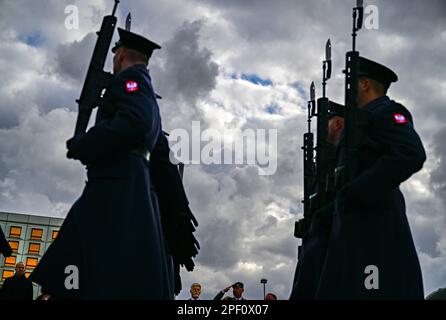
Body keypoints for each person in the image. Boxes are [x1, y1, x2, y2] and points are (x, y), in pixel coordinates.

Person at [30, 28, 178, 299]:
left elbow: (136, 122)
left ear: (119, 55)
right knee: (97, 254)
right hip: (126, 181)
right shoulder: (144, 86)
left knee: (80, 245)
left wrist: (85, 143)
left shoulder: (132, 81)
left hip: (117, 181)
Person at [315, 57, 426, 299]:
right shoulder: (358, 123)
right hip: (353, 225)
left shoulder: (388, 112)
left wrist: (356, 192)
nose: (347, 91)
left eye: (350, 83)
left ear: (365, 84)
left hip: (375, 221)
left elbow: (410, 153)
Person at [289, 102, 344, 300]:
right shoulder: (324, 164)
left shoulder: (342, 159)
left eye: (327, 124)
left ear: (338, 124)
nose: (324, 132)